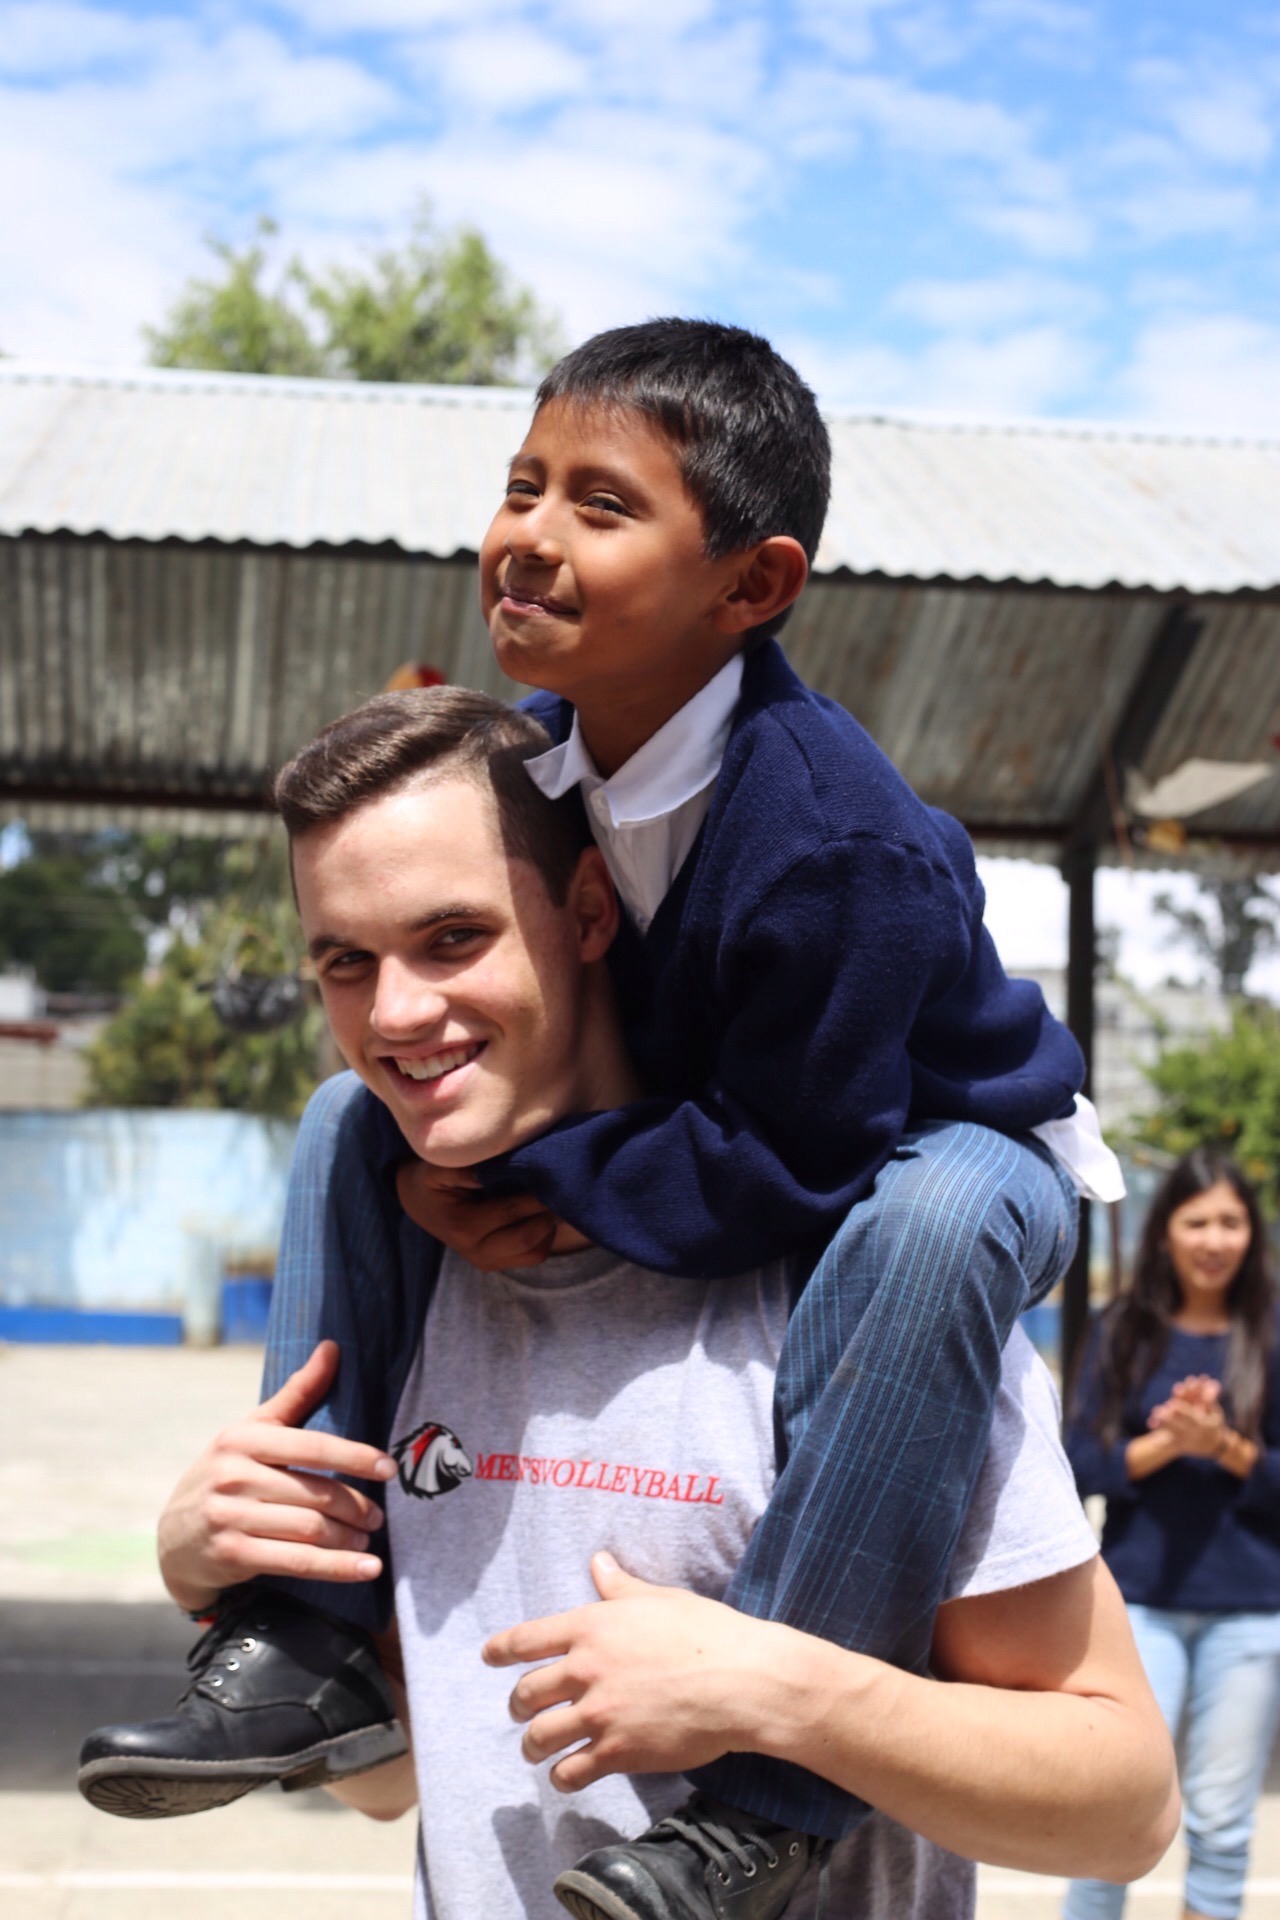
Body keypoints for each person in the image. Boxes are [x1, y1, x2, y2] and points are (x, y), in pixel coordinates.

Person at [80, 320, 1123, 1920]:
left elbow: (799, 1158)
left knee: (924, 1221)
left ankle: (765, 1812)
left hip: (940, 1146)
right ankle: (296, 1637)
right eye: (523, 485)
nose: (532, 533)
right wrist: (226, 1554)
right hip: (752, 1130)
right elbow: (400, 1785)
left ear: (753, 585)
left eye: (602, 504)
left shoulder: (827, 841)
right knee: (340, 1121)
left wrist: (554, 1175)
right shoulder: (558, 756)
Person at [139, 688, 1176, 1920]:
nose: (396, 1012)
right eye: (345, 964)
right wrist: (217, 1575)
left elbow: (1123, 1811)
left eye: (453, 938)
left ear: (589, 910)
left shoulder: (869, 1287)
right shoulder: (407, 1272)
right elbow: (397, 1780)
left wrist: (790, 1698)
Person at [1063, 1148, 1280, 1920]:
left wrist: (1224, 1447)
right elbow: (1076, 1461)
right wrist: (1168, 1444)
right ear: (1165, 1232)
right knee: (1111, 1813)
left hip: (1251, 1611)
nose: (1214, 1240)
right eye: (1197, 1222)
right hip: (1136, 1609)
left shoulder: (1271, 1332)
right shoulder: (1124, 1327)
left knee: (1220, 1824)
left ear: (1252, 1233)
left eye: (1231, 1222)